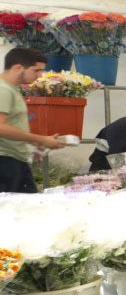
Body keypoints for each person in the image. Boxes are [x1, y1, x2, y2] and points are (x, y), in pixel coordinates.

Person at [1, 47, 69, 193]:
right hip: (5, 162)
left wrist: (34, 142)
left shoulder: (12, 89)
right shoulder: (3, 90)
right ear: (18, 67)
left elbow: (11, 124)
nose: (39, 76)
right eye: (36, 70)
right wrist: (40, 139)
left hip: (15, 159)